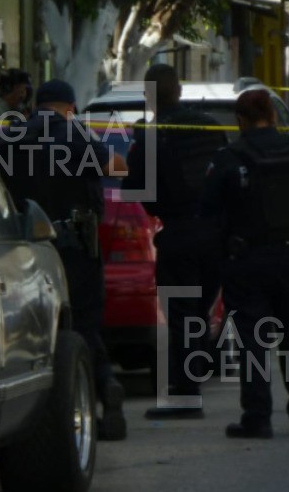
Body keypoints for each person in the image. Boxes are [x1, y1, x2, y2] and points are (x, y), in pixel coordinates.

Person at [0, 79, 130, 440]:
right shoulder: (75, 136)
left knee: (31, 329)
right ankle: (102, 387)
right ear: (69, 106)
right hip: (74, 247)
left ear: (37, 105)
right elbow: (117, 167)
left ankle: (40, 410)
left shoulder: (6, 137)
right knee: (82, 324)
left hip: (22, 249)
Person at [201, 89, 289, 439]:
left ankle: (258, 417)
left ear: (240, 120)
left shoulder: (231, 156)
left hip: (250, 259)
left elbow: (208, 208)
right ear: (273, 115)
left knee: (252, 342)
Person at [123, 64, 227, 419]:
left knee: (182, 315)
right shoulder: (211, 128)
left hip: (180, 233)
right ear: (179, 91)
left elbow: (134, 190)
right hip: (215, 235)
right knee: (198, 311)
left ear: (148, 96)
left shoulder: (149, 136)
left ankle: (186, 394)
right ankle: (193, 380)